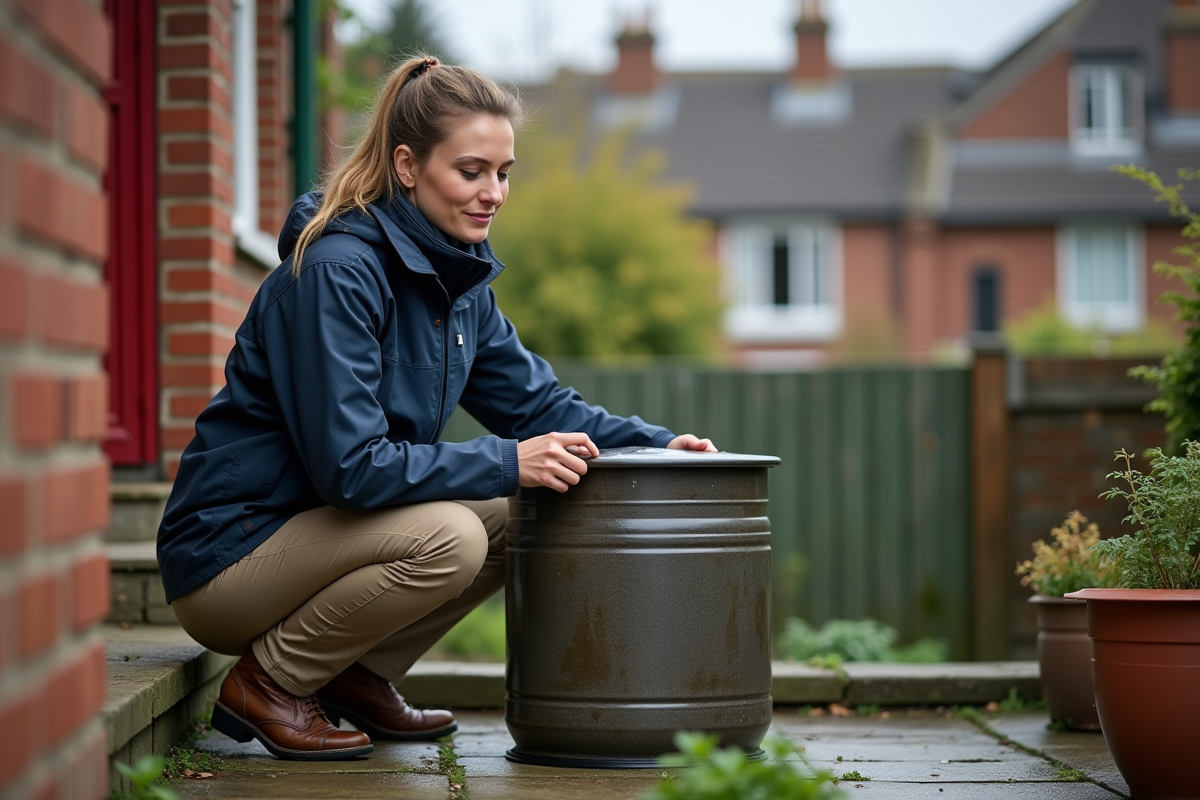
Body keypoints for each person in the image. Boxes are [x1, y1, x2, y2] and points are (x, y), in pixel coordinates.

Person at [156, 55, 716, 762]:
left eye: (504, 173)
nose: (493, 194)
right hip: (230, 556)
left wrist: (657, 444)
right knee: (452, 537)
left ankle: (356, 672)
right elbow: (351, 469)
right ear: (407, 166)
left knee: (531, 511)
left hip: (317, 539)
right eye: (472, 171)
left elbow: (539, 404)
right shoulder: (337, 273)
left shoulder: (458, 281)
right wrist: (506, 461)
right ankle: (269, 684)